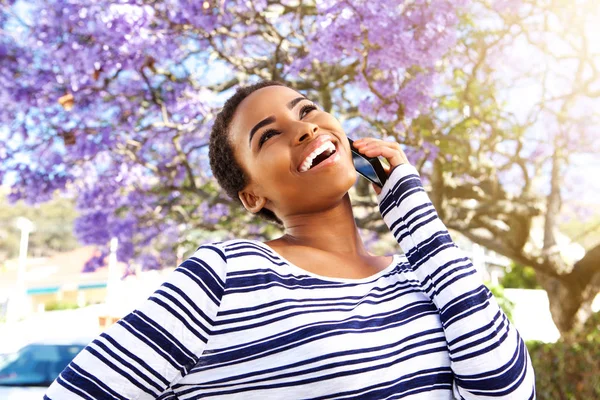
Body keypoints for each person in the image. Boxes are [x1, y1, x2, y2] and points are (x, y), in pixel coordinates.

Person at [45, 81, 535, 399]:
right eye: (268, 136)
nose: (304, 128)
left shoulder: (420, 273)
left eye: (307, 110)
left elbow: (507, 390)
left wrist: (412, 209)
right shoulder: (224, 276)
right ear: (252, 195)